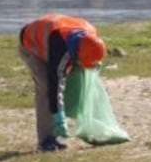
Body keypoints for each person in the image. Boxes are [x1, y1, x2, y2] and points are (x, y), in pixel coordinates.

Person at [18, 13, 107, 152]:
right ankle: (46, 140)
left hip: (52, 34)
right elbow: (55, 85)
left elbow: (90, 61)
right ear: (75, 53)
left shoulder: (90, 37)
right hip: (31, 43)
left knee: (77, 77)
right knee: (46, 87)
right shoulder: (59, 48)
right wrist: (58, 118)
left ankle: (72, 117)